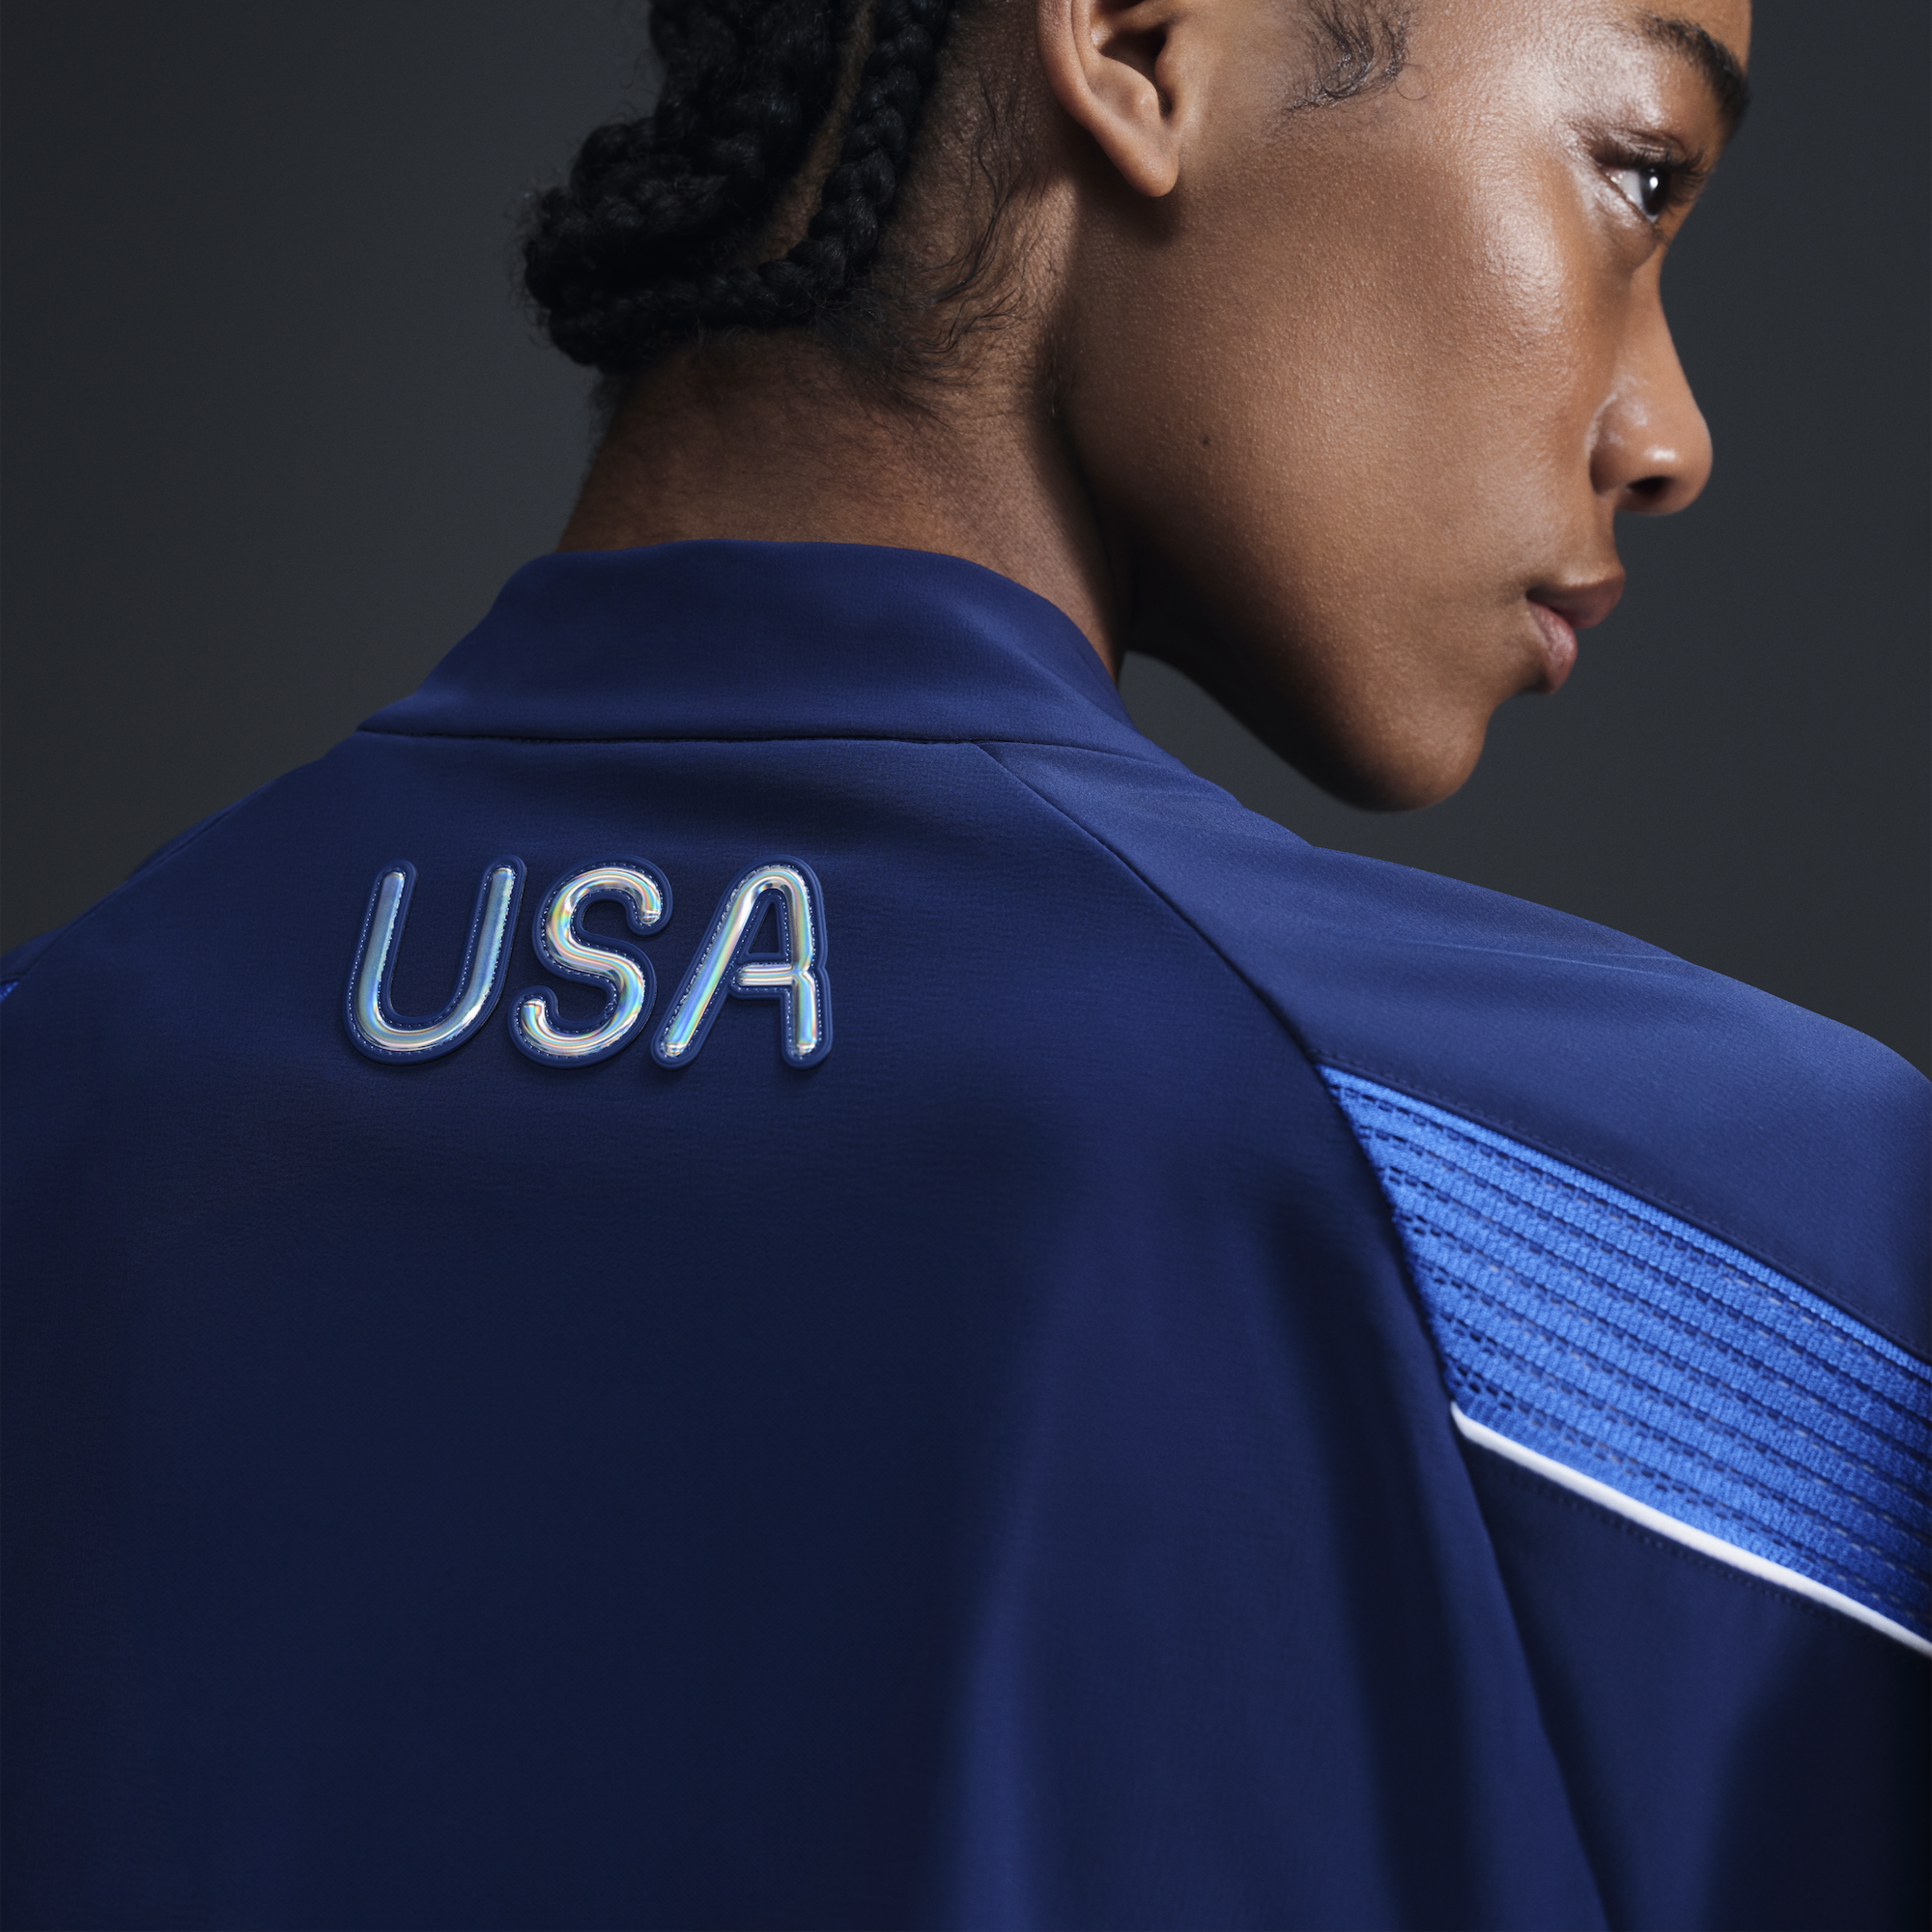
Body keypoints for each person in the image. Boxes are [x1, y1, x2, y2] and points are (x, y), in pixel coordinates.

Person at [1, 0, 1924, 1924]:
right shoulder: (1741, 1281)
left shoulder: (61, 1077)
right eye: (1638, 174)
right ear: (1148, 44)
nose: (1667, 434)